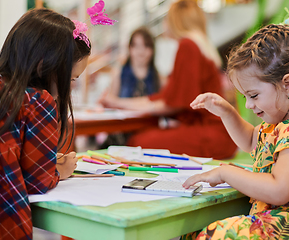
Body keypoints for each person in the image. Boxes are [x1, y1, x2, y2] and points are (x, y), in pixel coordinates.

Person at [182, 12, 289, 239]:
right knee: (193, 231)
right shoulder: (281, 123)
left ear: (288, 84)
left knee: (216, 234)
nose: (250, 105)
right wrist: (226, 112)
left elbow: (279, 189)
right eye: (245, 97)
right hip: (276, 220)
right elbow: (251, 141)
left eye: (253, 95)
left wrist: (226, 172)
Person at [0, 8, 91, 239]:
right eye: (71, 79)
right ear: (44, 66)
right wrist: (61, 170)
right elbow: (37, 180)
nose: (70, 88)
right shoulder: (38, 101)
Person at [100, 0, 237, 158]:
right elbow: (164, 99)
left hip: (210, 135)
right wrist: (117, 102)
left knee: (138, 141)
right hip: (220, 132)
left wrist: (117, 103)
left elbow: (172, 103)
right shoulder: (200, 45)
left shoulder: (188, 46)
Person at [98, 26, 161, 148]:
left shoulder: (159, 77)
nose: (140, 51)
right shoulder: (118, 73)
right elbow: (110, 104)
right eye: (136, 46)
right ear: (129, 48)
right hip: (121, 134)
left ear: (152, 49)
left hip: (148, 133)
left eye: (146, 46)